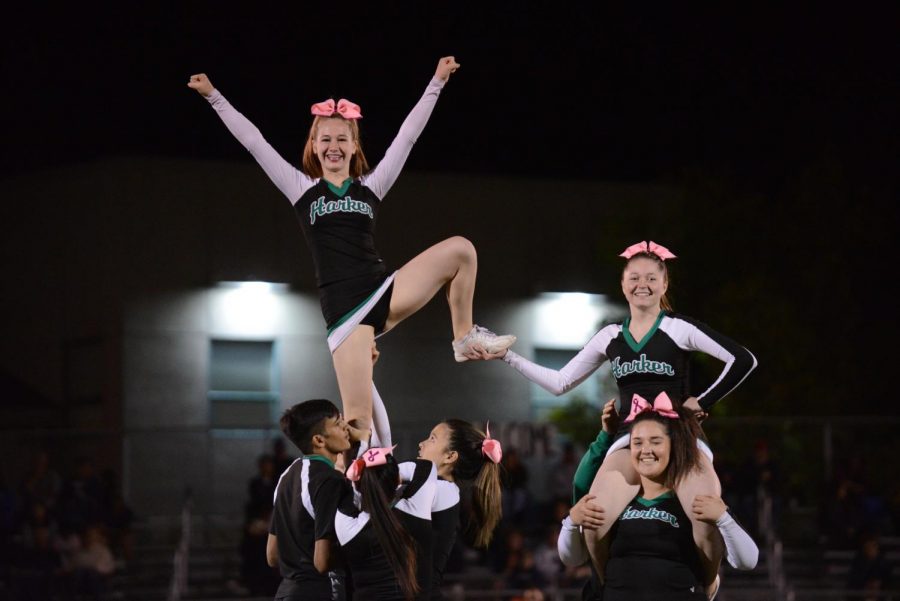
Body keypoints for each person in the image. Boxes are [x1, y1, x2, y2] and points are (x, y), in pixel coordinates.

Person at [188, 57, 516, 451]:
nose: (333, 146)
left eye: (342, 139)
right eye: (325, 139)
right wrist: (213, 97)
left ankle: (462, 337)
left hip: (382, 288)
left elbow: (407, 137)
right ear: (313, 145)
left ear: (354, 145)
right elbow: (255, 142)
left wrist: (437, 82)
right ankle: (352, 500)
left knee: (462, 249)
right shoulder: (301, 189)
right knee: (358, 425)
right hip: (346, 311)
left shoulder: (371, 186)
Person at [468, 240, 757, 594]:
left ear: (664, 284)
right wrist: (507, 357)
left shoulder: (678, 327)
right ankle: (609, 588)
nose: (642, 284)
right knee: (594, 520)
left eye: (652, 278)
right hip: (630, 439)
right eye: (634, 277)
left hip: (681, 437)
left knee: (703, 518)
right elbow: (560, 382)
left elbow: (742, 360)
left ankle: (708, 584)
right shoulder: (611, 336)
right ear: (623, 284)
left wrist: (702, 401)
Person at [559, 397, 759, 600]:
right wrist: (571, 522)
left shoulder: (692, 503)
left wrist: (724, 518)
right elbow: (571, 558)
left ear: (673, 446)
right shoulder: (614, 503)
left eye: (656, 441)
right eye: (637, 442)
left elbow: (748, 561)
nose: (646, 450)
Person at [267, 399, 353, 601]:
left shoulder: (287, 474)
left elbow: (272, 555)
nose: (346, 427)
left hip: (286, 591)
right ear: (319, 440)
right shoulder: (329, 479)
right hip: (319, 590)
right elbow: (322, 562)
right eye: (338, 424)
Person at [417, 419, 504, 599]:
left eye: (432, 439)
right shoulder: (440, 489)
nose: (421, 443)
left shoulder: (442, 491)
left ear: (450, 456)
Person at [334, 446, 436, 600]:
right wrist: (383, 471)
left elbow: (350, 493)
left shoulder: (348, 527)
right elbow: (426, 467)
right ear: (397, 480)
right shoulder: (414, 511)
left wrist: (361, 473)